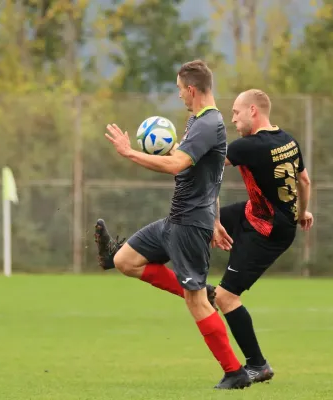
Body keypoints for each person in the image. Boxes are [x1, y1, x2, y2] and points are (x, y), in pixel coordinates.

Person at [95, 60, 252, 390]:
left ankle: (234, 371)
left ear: (191, 89)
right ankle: (201, 290)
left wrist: (129, 153)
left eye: (180, 90)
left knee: (194, 303)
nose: (179, 95)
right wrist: (217, 219)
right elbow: (211, 178)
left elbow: (176, 165)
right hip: (177, 220)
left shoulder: (209, 124)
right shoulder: (197, 121)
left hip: (189, 227)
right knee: (124, 260)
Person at [210, 89, 314, 384]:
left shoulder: (249, 146)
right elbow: (304, 180)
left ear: (253, 110)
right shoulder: (288, 140)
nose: (233, 119)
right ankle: (137, 252)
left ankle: (258, 364)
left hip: (268, 230)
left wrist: (173, 152)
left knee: (226, 297)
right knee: (196, 225)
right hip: (257, 214)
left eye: (236, 112)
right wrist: (301, 212)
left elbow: (206, 162)